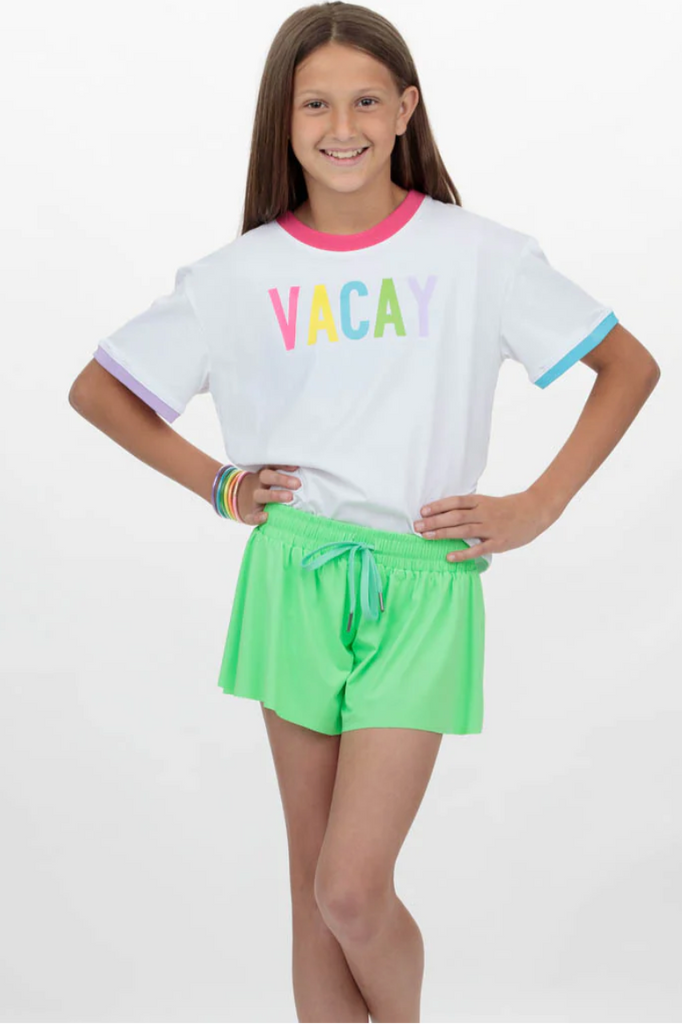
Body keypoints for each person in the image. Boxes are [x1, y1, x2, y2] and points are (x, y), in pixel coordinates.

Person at [67, 3, 661, 1021]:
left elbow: (627, 366)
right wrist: (219, 483)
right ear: (283, 117)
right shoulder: (236, 276)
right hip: (292, 572)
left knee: (351, 887)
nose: (342, 126)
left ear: (405, 110)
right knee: (313, 894)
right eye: (315, 104)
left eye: (366, 101)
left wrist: (538, 504)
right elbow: (99, 390)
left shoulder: (478, 255)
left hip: (424, 581)